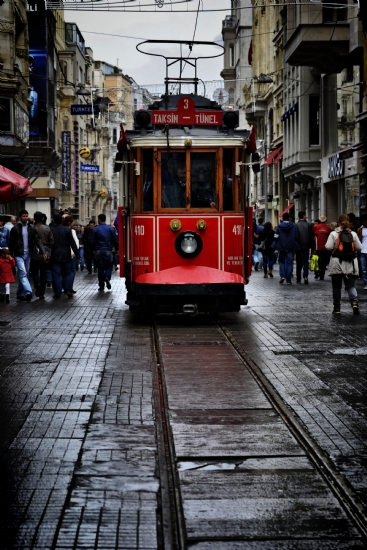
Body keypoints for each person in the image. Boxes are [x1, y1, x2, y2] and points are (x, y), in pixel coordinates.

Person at [325, 214, 362, 314]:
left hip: (337, 262)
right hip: (351, 263)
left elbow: (328, 246)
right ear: (349, 222)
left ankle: (337, 308)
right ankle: (354, 303)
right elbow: (359, 247)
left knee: (337, 286)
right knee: (350, 286)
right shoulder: (353, 234)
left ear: (339, 222)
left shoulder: (334, 234)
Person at [9, 209, 46, 301]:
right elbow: (11, 242)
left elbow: (37, 240)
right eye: (23, 216)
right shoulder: (15, 228)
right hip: (19, 254)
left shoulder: (31, 227)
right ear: (20, 217)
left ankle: (20, 294)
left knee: (25, 275)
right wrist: (11, 254)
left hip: (28, 254)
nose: (25, 218)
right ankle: (28, 291)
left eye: (26, 216)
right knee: (23, 273)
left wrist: (43, 251)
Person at [49, 213, 80, 299]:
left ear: (53, 220)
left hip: (54, 256)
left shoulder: (50, 230)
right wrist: (77, 254)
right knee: (67, 274)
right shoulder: (67, 230)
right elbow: (72, 243)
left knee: (56, 275)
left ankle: (58, 293)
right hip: (66, 255)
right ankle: (68, 290)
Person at [89, 213, 118, 292]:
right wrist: (116, 249)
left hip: (98, 250)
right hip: (108, 250)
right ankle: (107, 277)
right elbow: (115, 240)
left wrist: (93, 249)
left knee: (100, 268)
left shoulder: (95, 229)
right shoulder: (110, 229)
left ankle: (101, 285)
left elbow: (91, 241)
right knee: (108, 266)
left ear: (99, 219)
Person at [272, 212, 299, 285]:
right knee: (290, 263)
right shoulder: (293, 226)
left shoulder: (279, 226)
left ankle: (282, 275)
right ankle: (289, 279)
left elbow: (276, 237)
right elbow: (296, 236)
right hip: (290, 247)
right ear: (289, 218)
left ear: (282, 218)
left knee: (282, 262)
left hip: (281, 247)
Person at [32, 211, 54, 299]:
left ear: (34, 219)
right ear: (42, 218)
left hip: (34, 252)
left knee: (34, 271)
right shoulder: (47, 228)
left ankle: (37, 284)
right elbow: (52, 241)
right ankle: (42, 293)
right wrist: (48, 250)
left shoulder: (31, 228)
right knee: (44, 272)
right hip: (46, 251)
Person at [62, 215, 79, 293]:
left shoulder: (61, 230)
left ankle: (65, 287)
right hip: (71, 254)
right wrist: (76, 253)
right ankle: (69, 287)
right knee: (71, 271)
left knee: (64, 272)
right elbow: (76, 243)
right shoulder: (72, 231)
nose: (73, 223)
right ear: (69, 223)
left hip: (63, 254)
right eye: (72, 222)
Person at [296, 211, 313, 284]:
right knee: (306, 261)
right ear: (303, 216)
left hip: (298, 246)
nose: (306, 216)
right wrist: (312, 245)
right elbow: (310, 236)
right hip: (306, 246)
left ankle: (298, 278)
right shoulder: (308, 225)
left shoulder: (296, 225)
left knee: (298, 262)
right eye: (305, 215)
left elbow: (295, 236)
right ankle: (305, 276)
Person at [312, 215, 332, 281]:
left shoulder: (316, 227)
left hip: (317, 247)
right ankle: (322, 275)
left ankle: (316, 273)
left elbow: (313, 235)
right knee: (323, 262)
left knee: (316, 260)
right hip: (325, 247)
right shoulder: (328, 228)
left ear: (320, 220)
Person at [357, 214, 367, 290]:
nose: (363, 223)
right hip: (363, 251)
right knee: (363, 269)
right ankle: (366, 283)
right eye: (362, 221)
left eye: (365, 221)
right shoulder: (360, 229)